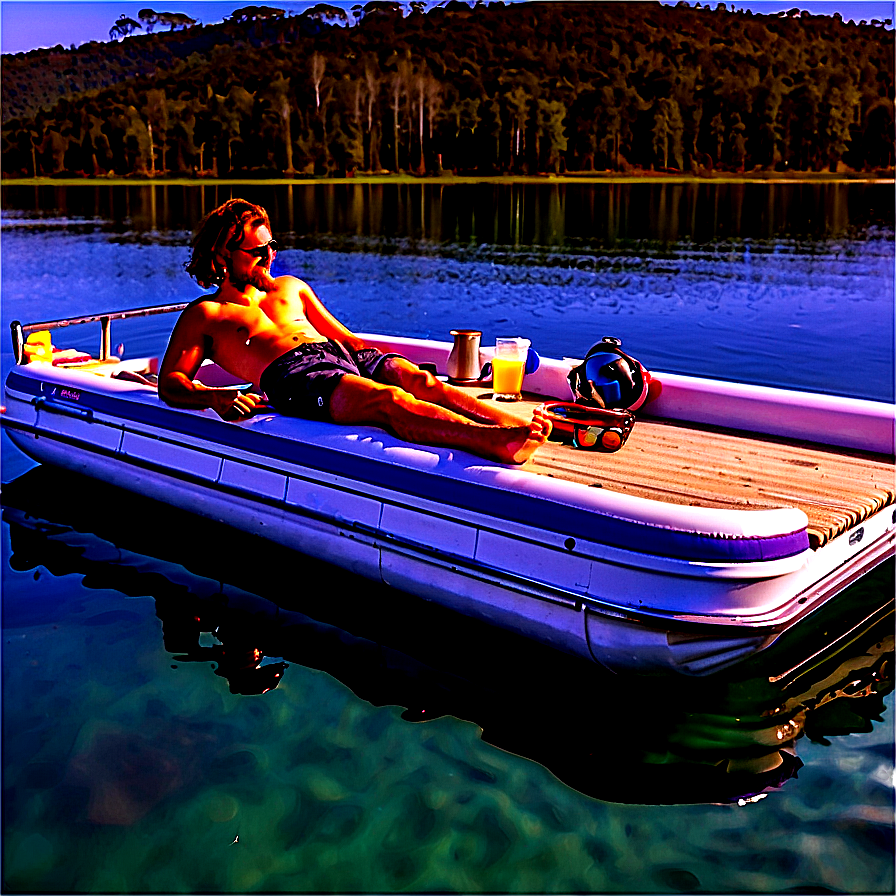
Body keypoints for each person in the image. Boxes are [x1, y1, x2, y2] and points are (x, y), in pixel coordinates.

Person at [159, 199, 551, 464]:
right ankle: (493, 443)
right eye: (257, 251)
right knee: (387, 400)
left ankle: (504, 423)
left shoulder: (291, 286)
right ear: (222, 255)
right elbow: (171, 383)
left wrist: (393, 364)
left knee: (418, 381)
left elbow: (345, 338)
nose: (270, 256)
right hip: (294, 376)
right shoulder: (207, 314)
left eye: (272, 246)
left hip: (336, 355)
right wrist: (213, 397)